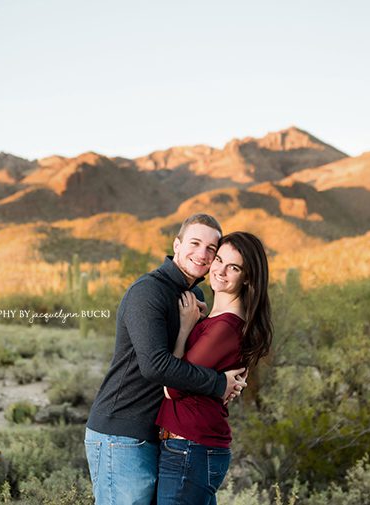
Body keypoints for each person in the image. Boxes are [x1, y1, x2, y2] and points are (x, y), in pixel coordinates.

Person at [85, 214, 248, 505]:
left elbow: (201, 354)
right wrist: (217, 383)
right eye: (195, 243)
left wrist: (232, 377)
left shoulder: (193, 295)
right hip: (122, 433)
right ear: (177, 244)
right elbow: (155, 365)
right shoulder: (148, 291)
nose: (202, 253)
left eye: (211, 249)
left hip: (161, 435)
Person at [156, 231, 273, 505]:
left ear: (247, 277)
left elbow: (172, 387)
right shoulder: (216, 319)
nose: (220, 270)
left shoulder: (224, 327)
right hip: (191, 448)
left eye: (233, 267)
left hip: (190, 449)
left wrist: (185, 330)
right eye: (218, 259)